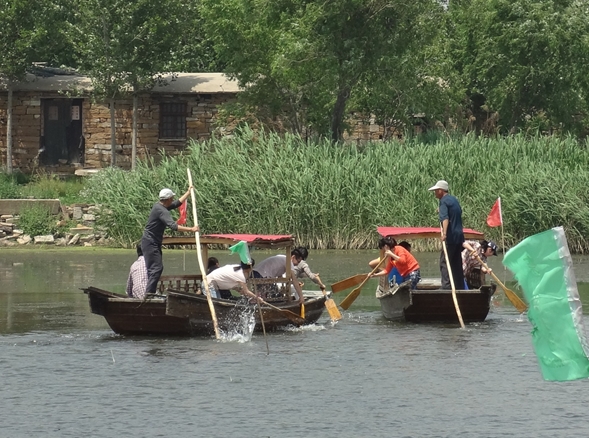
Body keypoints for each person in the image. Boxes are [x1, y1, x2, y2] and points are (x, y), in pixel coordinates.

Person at [141, 187, 199, 298]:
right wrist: (191, 229)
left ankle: (150, 292)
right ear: (167, 199)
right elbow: (173, 226)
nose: (172, 200)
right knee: (156, 268)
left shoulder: (160, 206)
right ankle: (149, 294)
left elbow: (176, 204)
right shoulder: (161, 210)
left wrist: (188, 193)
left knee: (155, 268)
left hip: (152, 242)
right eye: (171, 198)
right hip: (150, 242)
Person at [429, 179, 465, 290]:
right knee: (456, 262)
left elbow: (445, 218)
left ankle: (446, 286)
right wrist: (441, 210)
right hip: (459, 236)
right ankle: (459, 286)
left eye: (436, 191)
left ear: (441, 190)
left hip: (451, 237)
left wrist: (444, 233)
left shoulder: (443, 201)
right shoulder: (453, 200)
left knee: (444, 262)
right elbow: (455, 212)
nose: (435, 193)